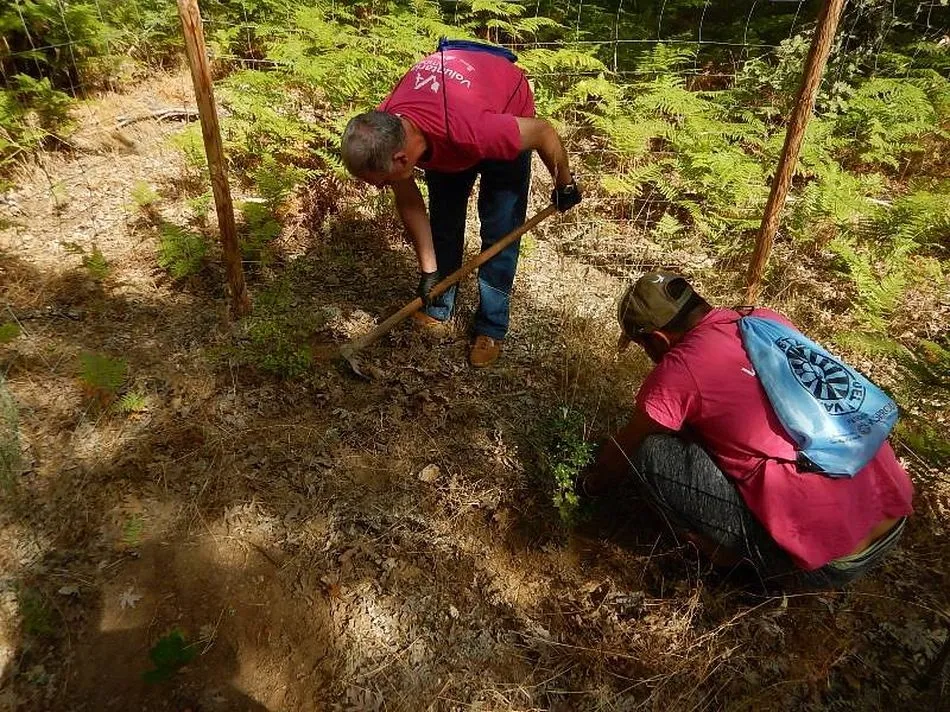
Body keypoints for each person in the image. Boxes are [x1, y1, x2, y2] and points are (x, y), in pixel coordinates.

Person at [579, 271, 914, 588]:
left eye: (644, 347)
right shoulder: (765, 321)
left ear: (657, 339)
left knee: (651, 454)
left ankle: (739, 565)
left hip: (833, 563)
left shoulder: (678, 370)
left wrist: (588, 486)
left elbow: (624, 450)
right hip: (893, 515)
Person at [340, 39, 581, 367]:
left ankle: (491, 327)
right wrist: (429, 271)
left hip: (499, 107)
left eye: (382, 181)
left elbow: (543, 132)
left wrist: (564, 183)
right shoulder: (385, 131)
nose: (382, 187)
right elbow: (410, 204)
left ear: (401, 158)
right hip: (446, 131)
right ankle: (439, 305)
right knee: (444, 221)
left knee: (500, 230)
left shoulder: (473, 130)